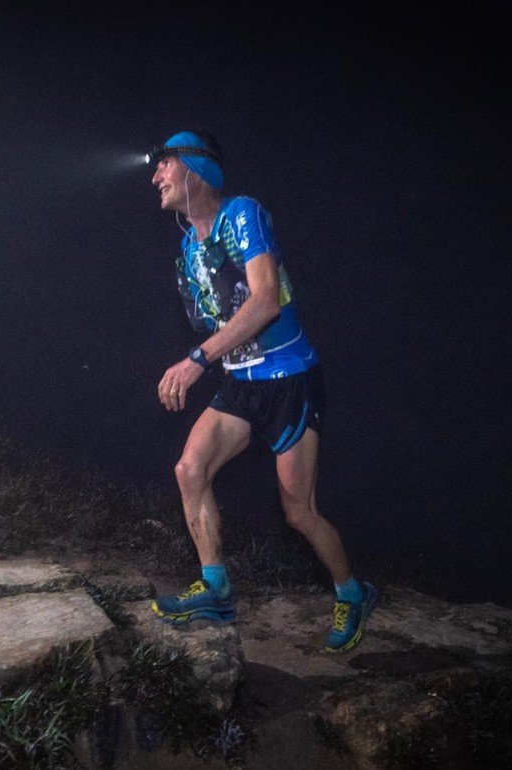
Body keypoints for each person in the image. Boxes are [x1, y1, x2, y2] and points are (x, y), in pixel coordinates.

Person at [146, 130, 376, 653]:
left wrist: (196, 359)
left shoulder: (243, 213)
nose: (155, 176)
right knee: (190, 470)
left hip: (290, 378)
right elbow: (214, 317)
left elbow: (266, 300)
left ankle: (353, 592)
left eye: (164, 165)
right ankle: (216, 588)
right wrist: (204, 355)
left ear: (196, 170)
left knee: (299, 512)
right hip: (243, 383)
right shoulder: (186, 250)